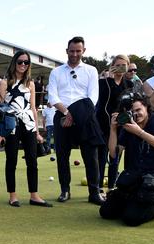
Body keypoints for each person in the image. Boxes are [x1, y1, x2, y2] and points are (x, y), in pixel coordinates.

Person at [100, 93, 154, 225]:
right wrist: (113, 129)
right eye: (131, 112)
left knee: (131, 219)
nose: (135, 114)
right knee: (106, 212)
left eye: (138, 110)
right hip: (135, 177)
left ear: (146, 107)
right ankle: (138, 203)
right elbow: (114, 154)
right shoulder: (128, 126)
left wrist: (139, 132)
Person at [47, 36, 104, 205]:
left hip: (85, 117)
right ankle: (65, 190)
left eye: (78, 51)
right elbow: (52, 95)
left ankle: (94, 193)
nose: (74, 54)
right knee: (62, 156)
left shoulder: (91, 70)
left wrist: (76, 114)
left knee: (91, 156)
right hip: (61, 115)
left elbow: (93, 97)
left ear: (83, 51)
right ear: (66, 51)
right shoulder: (55, 72)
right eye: (72, 51)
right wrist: (66, 112)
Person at [0, 50, 51, 208]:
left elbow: (33, 108)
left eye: (26, 62)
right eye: (20, 62)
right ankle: (12, 195)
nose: (22, 65)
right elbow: (1, 109)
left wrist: (37, 131)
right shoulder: (4, 83)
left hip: (28, 125)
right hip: (11, 125)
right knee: (11, 160)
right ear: (14, 62)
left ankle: (34, 195)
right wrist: (0, 133)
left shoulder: (31, 84)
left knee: (32, 161)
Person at [95, 55, 133, 192]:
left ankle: (112, 187)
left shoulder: (129, 84)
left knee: (115, 157)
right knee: (101, 157)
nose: (121, 68)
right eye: (118, 65)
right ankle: (98, 187)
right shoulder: (103, 83)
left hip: (121, 125)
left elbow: (128, 103)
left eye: (124, 65)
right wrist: (110, 78)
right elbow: (103, 99)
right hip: (103, 124)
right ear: (112, 65)